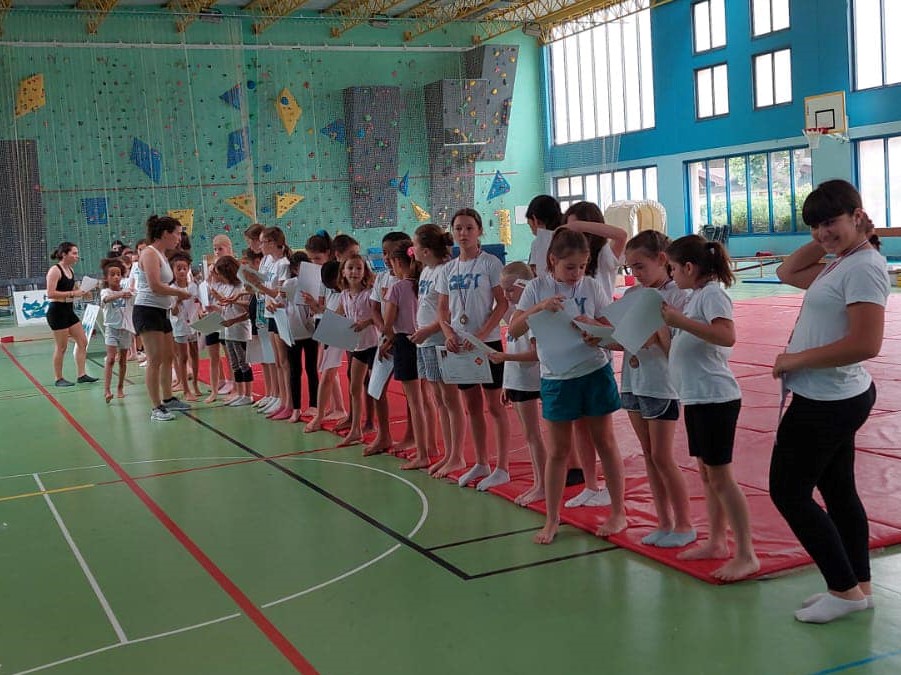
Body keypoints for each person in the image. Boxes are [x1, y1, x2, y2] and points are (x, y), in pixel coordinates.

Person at [770, 180, 888, 622]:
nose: (822, 233)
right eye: (816, 225)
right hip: (832, 394)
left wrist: (797, 358)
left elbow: (866, 342)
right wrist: (827, 235)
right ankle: (857, 586)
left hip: (827, 401)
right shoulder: (844, 261)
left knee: (788, 491)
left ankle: (843, 590)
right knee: (838, 492)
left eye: (831, 221)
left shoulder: (862, 268)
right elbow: (786, 272)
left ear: (857, 215)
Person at [510, 228, 626, 544]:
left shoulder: (591, 285)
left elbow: (610, 325)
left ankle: (618, 512)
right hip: (557, 377)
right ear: (553, 260)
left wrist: (596, 330)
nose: (576, 274)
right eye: (569, 267)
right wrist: (539, 307)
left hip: (593, 369)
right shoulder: (536, 287)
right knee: (559, 450)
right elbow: (514, 327)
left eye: (582, 266)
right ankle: (552, 519)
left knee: (606, 441)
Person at [662, 234, 758, 581]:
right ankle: (717, 541)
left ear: (689, 267)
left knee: (721, 476)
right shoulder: (695, 296)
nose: (671, 275)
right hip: (698, 397)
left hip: (716, 398)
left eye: (672, 268)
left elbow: (726, 335)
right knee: (707, 474)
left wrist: (679, 322)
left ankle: (746, 552)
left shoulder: (713, 294)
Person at [619, 231, 694, 548]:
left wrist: (657, 332)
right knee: (649, 455)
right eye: (630, 268)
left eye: (640, 266)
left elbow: (678, 349)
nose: (635, 274)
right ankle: (663, 521)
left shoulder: (679, 296)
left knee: (663, 456)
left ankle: (684, 523)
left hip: (661, 385)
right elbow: (622, 337)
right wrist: (597, 335)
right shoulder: (633, 296)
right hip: (633, 380)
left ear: (662, 260)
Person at [438, 208, 511, 490]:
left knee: (494, 406)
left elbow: (501, 303)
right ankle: (481, 462)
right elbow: (443, 310)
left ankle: (502, 466)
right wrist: (447, 333)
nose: (463, 233)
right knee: (472, 406)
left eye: (469, 228)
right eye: (458, 228)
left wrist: (480, 335)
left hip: (487, 342)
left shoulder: (490, 263)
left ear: (479, 231)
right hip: (460, 346)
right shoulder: (448, 269)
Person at [489, 262, 546, 505]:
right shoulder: (515, 314)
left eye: (511, 290)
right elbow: (512, 347)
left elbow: (536, 355)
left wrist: (505, 359)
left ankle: (541, 484)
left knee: (534, 435)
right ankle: (539, 482)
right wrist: (506, 383)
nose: (506, 296)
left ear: (525, 286)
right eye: (504, 291)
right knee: (529, 435)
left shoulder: (530, 316)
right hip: (517, 381)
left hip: (530, 381)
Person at [412, 224, 465, 479]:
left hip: (437, 340)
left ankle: (457, 455)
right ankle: (448, 452)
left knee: (450, 400)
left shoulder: (445, 270)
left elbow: (449, 310)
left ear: (424, 250)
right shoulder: (426, 272)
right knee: (439, 399)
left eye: (415, 246)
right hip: (424, 340)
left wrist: (429, 330)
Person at [133, 215, 193, 421]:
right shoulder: (150, 253)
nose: (179, 237)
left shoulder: (162, 255)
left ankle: (168, 398)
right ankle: (156, 407)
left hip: (161, 311)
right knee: (155, 359)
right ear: (165, 234)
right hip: (147, 311)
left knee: (169, 357)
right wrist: (179, 293)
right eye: (176, 233)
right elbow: (155, 286)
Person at [380, 241, 430, 469]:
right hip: (424, 339)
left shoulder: (398, 288)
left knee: (415, 402)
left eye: (392, 263)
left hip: (405, 341)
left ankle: (422, 453)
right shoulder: (422, 283)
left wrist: (387, 339)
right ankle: (430, 446)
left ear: (398, 262)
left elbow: (388, 323)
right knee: (426, 398)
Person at [335, 254, 379, 448]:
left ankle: (373, 423)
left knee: (375, 388)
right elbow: (336, 316)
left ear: (364, 271)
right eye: (350, 268)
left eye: (359, 268)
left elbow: (381, 314)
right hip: (357, 346)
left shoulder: (369, 293)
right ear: (343, 272)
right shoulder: (344, 295)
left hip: (374, 344)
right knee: (354, 387)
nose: (354, 272)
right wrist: (315, 309)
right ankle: (356, 429)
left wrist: (367, 322)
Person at [45, 242, 97, 387]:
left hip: (68, 310)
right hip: (57, 311)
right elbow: (50, 293)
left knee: (83, 341)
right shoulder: (55, 271)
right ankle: (58, 378)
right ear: (64, 254)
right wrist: (73, 293)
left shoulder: (71, 270)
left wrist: (84, 291)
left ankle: (81, 374)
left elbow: (75, 289)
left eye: (77, 253)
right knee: (61, 347)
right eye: (74, 253)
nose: (77, 256)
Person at [280, 251, 318, 422]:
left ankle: (314, 405)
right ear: (294, 270)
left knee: (311, 369)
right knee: (295, 371)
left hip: (311, 332)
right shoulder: (290, 284)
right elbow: (279, 298)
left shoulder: (315, 283)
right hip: (294, 333)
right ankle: (296, 408)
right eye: (299, 268)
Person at [213, 255, 254, 407]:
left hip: (241, 330)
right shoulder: (228, 287)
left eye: (221, 274)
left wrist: (233, 302)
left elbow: (249, 308)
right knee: (234, 363)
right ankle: (240, 392)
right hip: (229, 330)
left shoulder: (242, 286)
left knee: (244, 363)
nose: (220, 277)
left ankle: (248, 394)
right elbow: (227, 306)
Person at [169, 251, 202, 402]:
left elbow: (200, 303)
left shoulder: (194, 286)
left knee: (195, 354)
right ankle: (186, 388)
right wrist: (178, 300)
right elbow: (173, 311)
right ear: (173, 270)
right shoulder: (171, 289)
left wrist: (201, 310)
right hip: (179, 326)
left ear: (188, 268)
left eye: (184, 268)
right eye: (178, 268)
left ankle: (195, 383)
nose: (182, 271)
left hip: (194, 325)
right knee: (182, 357)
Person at [99, 258, 133, 403]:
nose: (116, 277)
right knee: (111, 358)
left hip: (125, 329)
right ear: (106, 278)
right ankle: (107, 390)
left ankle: (120, 387)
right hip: (111, 329)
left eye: (118, 274)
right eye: (112, 274)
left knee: (123, 360)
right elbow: (106, 299)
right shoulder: (105, 291)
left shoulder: (127, 291)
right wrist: (120, 295)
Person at [526, 195, 562, 277]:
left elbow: (532, 274)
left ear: (535, 219)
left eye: (530, 225)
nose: (532, 232)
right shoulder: (569, 237)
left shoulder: (539, 242)